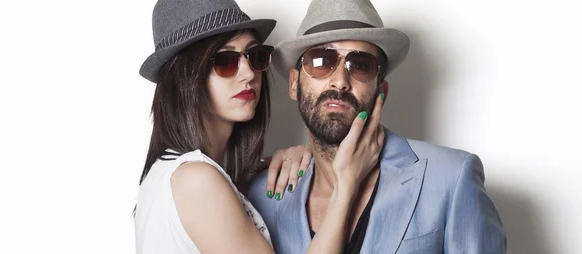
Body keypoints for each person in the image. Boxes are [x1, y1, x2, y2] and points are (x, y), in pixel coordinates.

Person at [248, 0, 508, 253]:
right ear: (294, 84)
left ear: (381, 91)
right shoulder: (263, 196)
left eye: (360, 65)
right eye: (321, 61)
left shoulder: (451, 179)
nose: (339, 81)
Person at [134, 0, 384, 253]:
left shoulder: (175, 173)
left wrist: (272, 162)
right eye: (225, 61)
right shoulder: (196, 181)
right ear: (183, 77)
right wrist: (346, 184)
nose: (249, 73)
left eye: (255, 57)